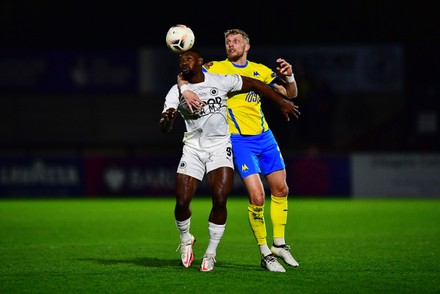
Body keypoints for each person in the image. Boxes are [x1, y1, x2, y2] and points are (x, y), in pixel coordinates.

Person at [159, 48, 299, 272]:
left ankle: (211, 253)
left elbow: (255, 84)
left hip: (220, 145)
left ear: (200, 62)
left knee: (221, 198)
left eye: (189, 58)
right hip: (193, 148)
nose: (183, 61)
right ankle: (186, 239)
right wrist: (168, 119)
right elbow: (164, 128)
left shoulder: (221, 80)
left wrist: (280, 102)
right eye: (181, 59)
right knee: (182, 201)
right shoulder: (176, 91)